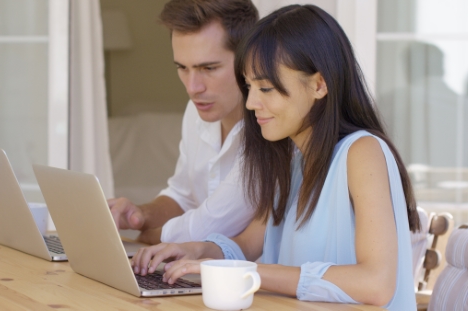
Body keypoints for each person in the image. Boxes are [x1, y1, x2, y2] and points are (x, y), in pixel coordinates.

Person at [130, 4, 421, 310]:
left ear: (320, 84)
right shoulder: (292, 157)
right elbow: (246, 245)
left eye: (266, 88)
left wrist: (249, 274)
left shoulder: (363, 152)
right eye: (249, 86)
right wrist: (194, 251)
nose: (252, 102)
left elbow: (376, 284)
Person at [108, 0, 259, 245]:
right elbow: (183, 196)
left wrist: (148, 237)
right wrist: (139, 215)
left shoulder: (270, 128)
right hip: (195, 274)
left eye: (208, 68)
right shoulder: (196, 110)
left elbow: (209, 225)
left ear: (249, 58)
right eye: (182, 68)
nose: (192, 88)